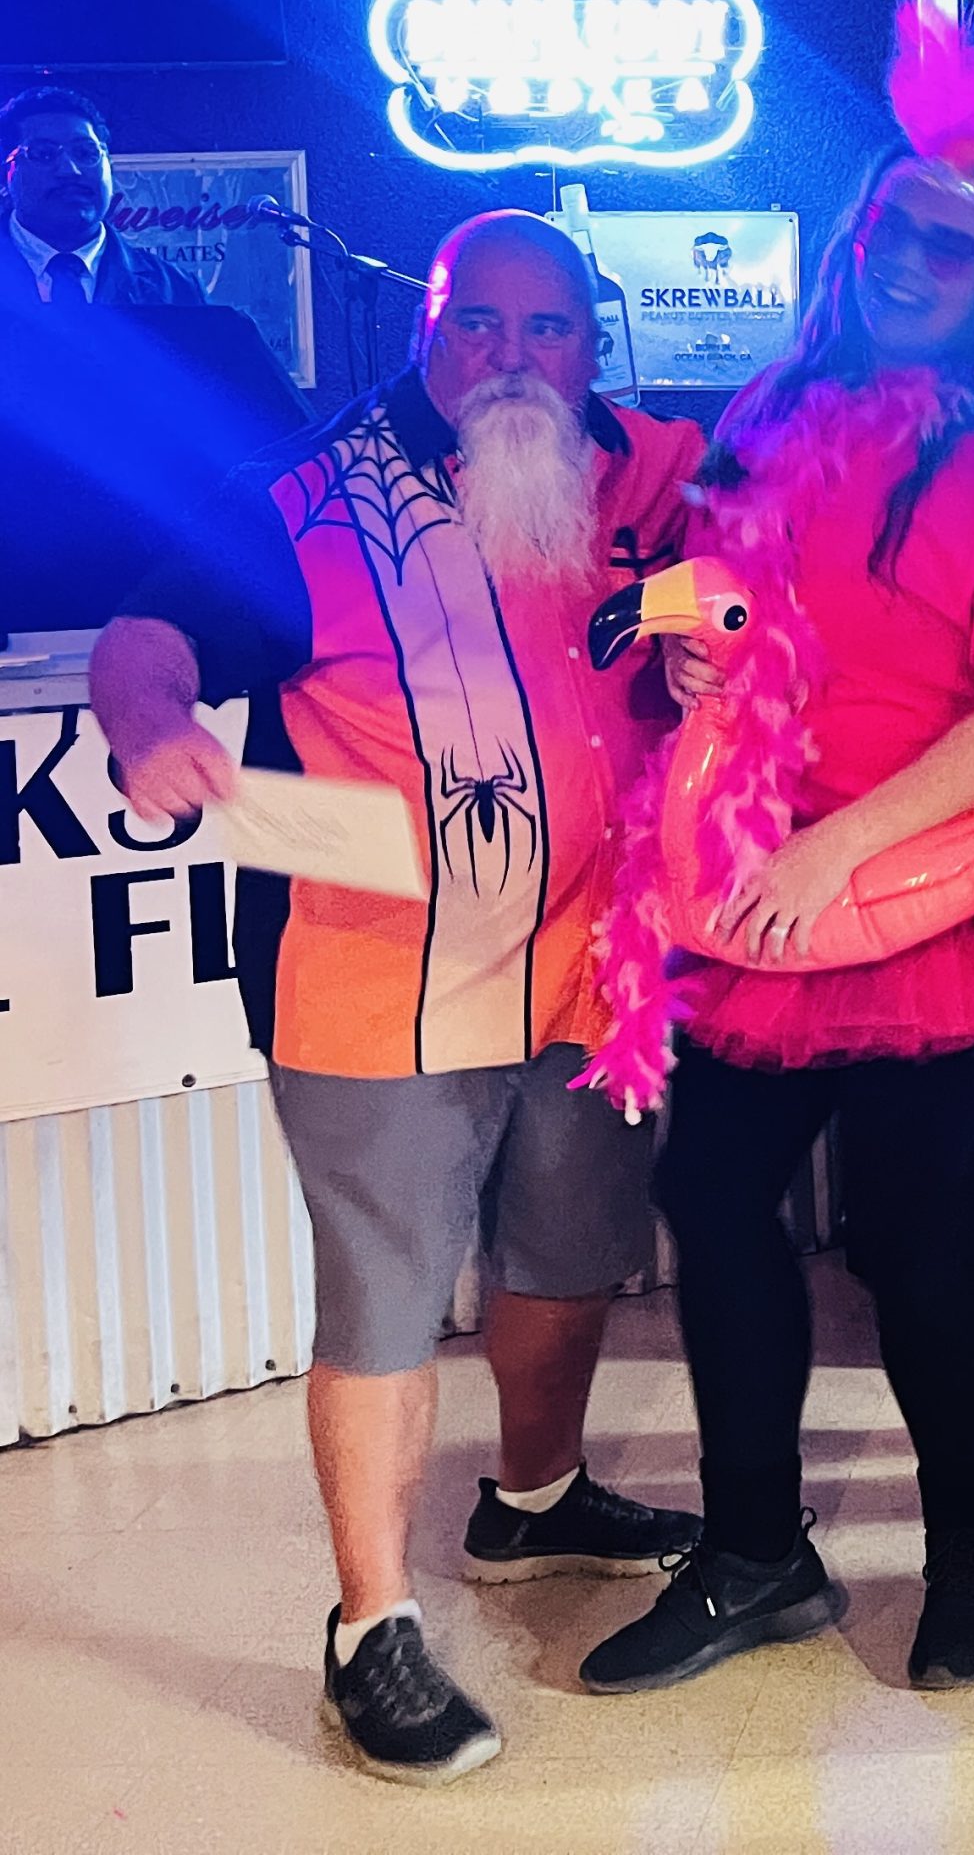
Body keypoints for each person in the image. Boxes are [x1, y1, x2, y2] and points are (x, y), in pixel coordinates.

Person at [89, 211, 704, 1786]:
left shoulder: (648, 470)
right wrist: (153, 726)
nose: (511, 357)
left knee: (568, 1256)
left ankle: (536, 1501)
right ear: (424, 329)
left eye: (547, 327)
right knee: (383, 1298)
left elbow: (764, 571)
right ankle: (370, 1625)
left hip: (597, 965)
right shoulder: (303, 499)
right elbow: (146, 637)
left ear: (593, 343)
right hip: (380, 979)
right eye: (476, 322)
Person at [579, 0, 974, 1701]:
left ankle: (970, 1552)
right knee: (710, 1198)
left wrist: (839, 859)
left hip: (929, 897)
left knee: (920, 1244)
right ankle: (756, 1552)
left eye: (952, 247)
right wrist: (693, 668)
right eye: (893, 226)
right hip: (759, 890)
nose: (909, 259)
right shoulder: (765, 416)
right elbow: (725, 611)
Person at [0, 84, 206, 308]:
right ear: (5, 171)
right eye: (44, 154)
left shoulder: (176, 291)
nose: (71, 170)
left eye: (85, 153)